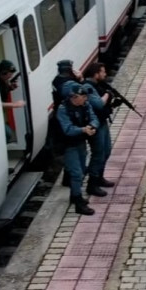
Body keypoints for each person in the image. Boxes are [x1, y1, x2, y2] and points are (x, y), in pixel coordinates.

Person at [55, 81, 98, 215]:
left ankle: (75, 195)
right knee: (76, 173)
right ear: (74, 97)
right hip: (68, 145)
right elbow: (67, 129)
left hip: (80, 142)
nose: (85, 99)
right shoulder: (63, 110)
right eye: (82, 97)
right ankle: (78, 203)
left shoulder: (84, 105)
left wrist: (92, 126)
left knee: (82, 169)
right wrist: (83, 130)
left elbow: (94, 117)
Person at [84, 62, 117, 196]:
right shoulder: (88, 87)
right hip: (95, 125)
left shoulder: (98, 85)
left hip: (102, 122)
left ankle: (99, 177)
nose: (105, 74)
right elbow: (98, 104)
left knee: (106, 151)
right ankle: (92, 184)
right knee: (98, 154)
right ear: (96, 74)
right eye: (102, 72)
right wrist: (108, 95)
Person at [0, 60, 26, 143]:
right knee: (7, 134)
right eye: (10, 74)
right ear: (4, 73)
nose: (11, 76)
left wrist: (10, 88)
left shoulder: (2, 82)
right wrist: (15, 104)